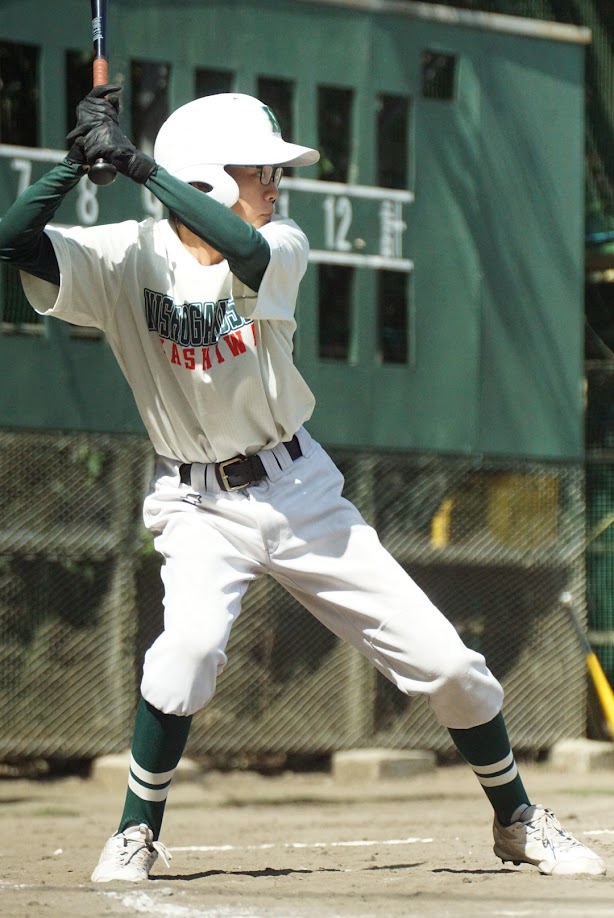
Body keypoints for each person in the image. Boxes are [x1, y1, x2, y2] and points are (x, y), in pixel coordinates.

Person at [0, 87, 606, 882]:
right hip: (196, 503)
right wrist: (72, 164)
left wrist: (139, 166)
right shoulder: (124, 254)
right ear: (209, 175)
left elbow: (243, 254)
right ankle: (135, 831)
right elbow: (13, 243)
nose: (276, 184)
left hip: (299, 491)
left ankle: (518, 818)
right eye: (260, 171)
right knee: (186, 653)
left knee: (451, 667)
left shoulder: (278, 242)